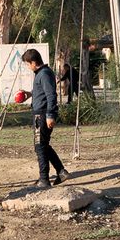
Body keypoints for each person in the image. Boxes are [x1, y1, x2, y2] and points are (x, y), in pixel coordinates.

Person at [21, 48, 69, 188]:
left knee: (40, 147)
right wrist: (29, 94)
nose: (28, 67)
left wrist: (50, 115)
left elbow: (51, 95)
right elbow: (42, 92)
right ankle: (61, 171)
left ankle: (44, 179)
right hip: (40, 113)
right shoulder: (41, 73)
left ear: (34, 62)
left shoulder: (44, 74)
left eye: (28, 64)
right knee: (43, 145)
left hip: (42, 115)